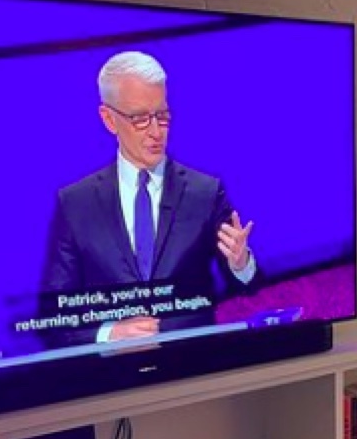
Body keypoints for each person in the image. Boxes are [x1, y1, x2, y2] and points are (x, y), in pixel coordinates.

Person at [39, 51, 258, 348]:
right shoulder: (76, 203)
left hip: (193, 371)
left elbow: (249, 290)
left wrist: (241, 263)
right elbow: (52, 314)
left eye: (162, 115)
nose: (156, 132)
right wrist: (108, 335)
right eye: (140, 118)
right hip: (113, 383)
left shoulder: (204, 193)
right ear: (109, 119)